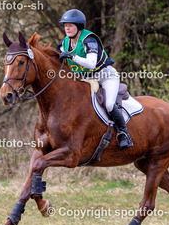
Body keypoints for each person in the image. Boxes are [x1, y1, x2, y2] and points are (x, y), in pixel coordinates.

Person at [56, 9, 133, 149]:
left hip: (106, 76)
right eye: (65, 25)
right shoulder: (63, 44)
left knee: (109, 105)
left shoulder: (89, 40)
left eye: (70, 25)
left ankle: (124, 134)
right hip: (88, 78)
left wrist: (72, 56)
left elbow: (91, 64)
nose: (67, 28)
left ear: (79, 27)